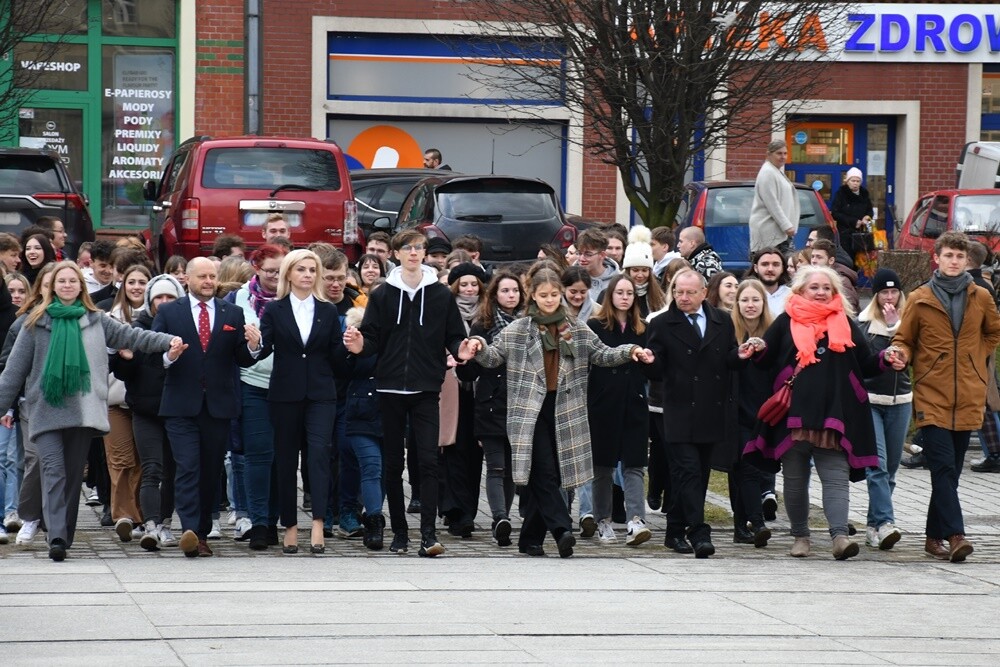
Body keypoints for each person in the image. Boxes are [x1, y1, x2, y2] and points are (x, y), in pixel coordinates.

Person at [0, 261, 183, 561]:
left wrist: (167, 342)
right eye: (62, 281)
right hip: (45, 411)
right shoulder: (35, 323)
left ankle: (64, 533)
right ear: (53, 286)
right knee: (53, 470)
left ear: (81, 287)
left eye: (73, 281)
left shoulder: (97, 320)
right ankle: (56, 537)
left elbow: (133, 337)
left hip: (83, 412)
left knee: (72, 477)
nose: (68, 285)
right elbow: (12, 373)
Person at [465, 268, 654, 558]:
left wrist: (630, 350)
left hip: (565, 410)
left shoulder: (575, 329)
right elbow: (493, 358)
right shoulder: (518, 329)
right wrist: (477, 346)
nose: (550, 300)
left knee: (550, 473)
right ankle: (562, 528)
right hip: (530, 411)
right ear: (534, 296)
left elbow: (601, 353)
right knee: (545, 471)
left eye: (554, 294)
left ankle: (530, 539)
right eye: (543, 295)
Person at [743, 265, 902, 560]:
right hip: (795, 415)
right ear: (801, 290)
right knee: (794, 478)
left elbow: (866, 364)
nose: (820, 292)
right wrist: (758, 349)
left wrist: (884, 359)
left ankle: (840, 537)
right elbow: (766, 361)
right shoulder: (785, 321)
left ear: (834, 292)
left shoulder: (846, 323)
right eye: (814, 287)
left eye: (826, 288)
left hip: (835, 414)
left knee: (836, 477)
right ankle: (800, 536)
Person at [342, 230, 470, 558]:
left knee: (428, 460)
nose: (414, 253)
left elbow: (454, 336)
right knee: (392, 464)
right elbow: (371, 338)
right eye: (408, 248)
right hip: (388, 388)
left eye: (419, 248)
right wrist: (359, 346)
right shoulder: (383, 295)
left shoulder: (440, 295)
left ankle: (428, 533)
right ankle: (399, 532)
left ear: (425, 254)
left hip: (426, 387)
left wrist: (462, 348)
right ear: (396, 253)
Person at [892, 231, 1000, 562]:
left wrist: (976, 358)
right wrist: (900, 352)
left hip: (968, 393)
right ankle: (956, 535)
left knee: (950, 472)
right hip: (932, 394)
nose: (954, 261)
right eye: (948, 255)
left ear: (967, 261)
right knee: (941, 467)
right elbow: (904, 338)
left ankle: (931, 536)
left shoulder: (980, 296)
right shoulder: (920, 297)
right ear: (936, 258)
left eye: (959, 257)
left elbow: (993, 331)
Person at [153, 257, 259, 558]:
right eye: (202, 276)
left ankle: (200, 529)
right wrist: (170, 356)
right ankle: (191, 532)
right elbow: (154, 356)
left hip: (218, 405)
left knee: (210, 471)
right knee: (187, 466)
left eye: (213, 276)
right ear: (187, 279)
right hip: (180, 404)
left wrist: (253, 346)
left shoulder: (232, 312)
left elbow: (242, 357)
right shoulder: (169, 312)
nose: (209, 281)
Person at [646, 269, 743, 558]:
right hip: (677, 410)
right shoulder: (662, 323)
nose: (683, 297)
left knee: (695, 475)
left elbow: (728, 358)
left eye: (689, 292)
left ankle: (674, 532)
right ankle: (699, 532)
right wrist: (649, 361)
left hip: (711, 410)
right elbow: (656, 369)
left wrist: (742, 356)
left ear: (703, 293)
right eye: (678, 292)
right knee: (687, 470)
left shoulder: (722, 320)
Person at [255, 249, 345, 554]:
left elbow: (336, 356)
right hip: (285, 395)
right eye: (301, 269)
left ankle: (319, 522)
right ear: (289, 274)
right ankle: (290, 525)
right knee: (285, 459)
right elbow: (262, 349)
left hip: (321, 394)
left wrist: (352, 348)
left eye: (312, 270)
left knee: (319, 455)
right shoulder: (275, 310)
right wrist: (254, 343)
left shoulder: (328, 311)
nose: (307, 275)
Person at [111, 274, 186, 550]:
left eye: (170, 298)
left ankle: (165, 523)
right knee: (152, 468)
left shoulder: (184, 327)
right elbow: (123, 373)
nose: (164, 303)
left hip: (178, 410)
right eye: (159, 298)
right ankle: (151, 524)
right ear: (149, 300)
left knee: (173, 470)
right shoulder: (137, 328)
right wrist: (125, 359)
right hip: (145, 410)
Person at [456, 270, 523, 546]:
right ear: (495, 295)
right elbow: (469, 373)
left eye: (515, 290)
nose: (511, 295)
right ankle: (499, 519)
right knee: (495, 466)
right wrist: (466, 359)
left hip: (519, 403)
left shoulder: (528, 323)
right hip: (491, 404)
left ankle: (504, 516)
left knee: (509, 467)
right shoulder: (482, 324)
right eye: (505, 290)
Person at [227, 244, 287, 550]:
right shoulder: (238, 299)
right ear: (256, 270)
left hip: (288, 387)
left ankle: (276, 519)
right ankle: (259, 521)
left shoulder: (295, 297)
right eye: (270, 271)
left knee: (282, 457)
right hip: (252, 384)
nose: (276, 277)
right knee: (258, 455)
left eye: (281, 271)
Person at [587, 275, 654, 547]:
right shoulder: (595, 325)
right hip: (603, 403)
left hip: (634, 401)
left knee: (634, 463)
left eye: (629, 293)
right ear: (610, 296)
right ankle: (602, 520)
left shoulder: (643, 329)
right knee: (602, 465)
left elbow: (651, 367)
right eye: (619, 292)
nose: (625, 297)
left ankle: (636, 519)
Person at [857, 268, 910, 551]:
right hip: (871, 402)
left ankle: (873, 526)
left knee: (890, 471)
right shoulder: (863, 324)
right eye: (883, 293)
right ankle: (887, 522)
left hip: (901, 401)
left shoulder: (908, 322)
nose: (889, 298)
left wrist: (895, 327)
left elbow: (912, 355)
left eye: (893, 292)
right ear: (875, 296)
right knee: (875, 466)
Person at [440, 262, 489, 537]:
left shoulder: (487, 314)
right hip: (451, 389)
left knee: (474, 452)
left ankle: (467, 508)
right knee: (453, 449)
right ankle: (456, 510)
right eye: (464, 284)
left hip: (480, 392)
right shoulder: (447, 311)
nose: (469, 289)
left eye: (474, 284)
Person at [104, 264, 152, 542]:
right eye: (131, 282)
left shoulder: (159, 318)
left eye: (142, 282)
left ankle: (141, 515)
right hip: (115, 399)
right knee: (121, 459)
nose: (136, 287)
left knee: (143, 462)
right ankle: (123, 514)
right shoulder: (109, 319)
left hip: (145, 401)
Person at [729, 279, 774, 547]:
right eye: (744, 300)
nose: (750, 305)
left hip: (767, 411)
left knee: (751, 469)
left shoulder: (773, 332)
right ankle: (756, 523)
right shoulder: (728, 331)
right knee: (746, 467)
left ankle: (740, 526)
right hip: (736, 411)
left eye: (755, 300)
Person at [749, 139, 800, 255]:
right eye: (779, 153)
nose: (783, 157)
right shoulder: (767, 172)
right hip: (770, 231)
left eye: (785, 153)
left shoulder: (775, 171)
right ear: (769, 154)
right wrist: (786, 226)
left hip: (779, 232)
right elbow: (772, 203)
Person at [620, 225, 666, 317]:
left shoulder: (659, 295)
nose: (640, 275)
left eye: (645, 270)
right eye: (635, 270)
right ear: (628, 271)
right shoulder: (614, 291)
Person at [829, 167, 873, 258]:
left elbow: (870, 210)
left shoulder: (864, 194)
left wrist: (867, 217)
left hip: (861, 234)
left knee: (862, 260)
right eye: (853, 181)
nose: (855, 183)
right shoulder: (841, 194)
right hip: (845, 234)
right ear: (847, 181)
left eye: (858, 181)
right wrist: (853, 221)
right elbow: (835, 213)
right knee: (847, 258)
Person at [810, 239, 859, 312]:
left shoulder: (842, 280)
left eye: (819, 257)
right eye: (812, 256)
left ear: (831, 260)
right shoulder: (810, 277)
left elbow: (849, 308)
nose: (814, 260)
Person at [745, 248, 791, 318]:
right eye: (765, 264)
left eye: (776, 265)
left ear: (782, 269)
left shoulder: (791, 296)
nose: (770, 269)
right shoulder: (744, 294)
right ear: (756, 268)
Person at [575, 228, 620, 301]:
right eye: (579, 253)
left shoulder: (617, 280)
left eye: (588, 254)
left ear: (602, 255)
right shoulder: (571, 279)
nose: (581, 258)